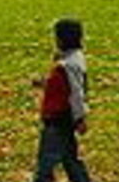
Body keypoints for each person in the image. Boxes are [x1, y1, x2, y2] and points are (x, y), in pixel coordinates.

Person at [30, 18, 91, 182]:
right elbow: (61, 86)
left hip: (58, 119)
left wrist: (80, 118)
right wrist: (44, 82)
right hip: (62, 119)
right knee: (70, 160)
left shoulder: (68, 65)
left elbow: (76, 93)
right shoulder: (71, 60)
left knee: (45, 163)